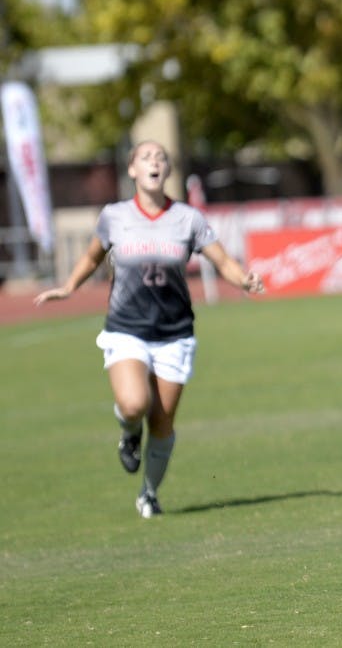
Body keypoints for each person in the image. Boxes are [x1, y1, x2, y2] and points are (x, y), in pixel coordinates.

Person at [34, 140, 264, 518]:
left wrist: (244, 279)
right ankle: (128, 432)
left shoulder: (188, 219)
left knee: (162, 421)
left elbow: (222, 260)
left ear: (167, 170)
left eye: (161, 157)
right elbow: (93, 255)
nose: (154, 162)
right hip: (127, 327)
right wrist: (69, 287)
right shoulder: (115, 215)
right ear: (132, 170)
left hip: (175, 332)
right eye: (146, 157)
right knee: (133, 404)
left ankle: (149, 492)